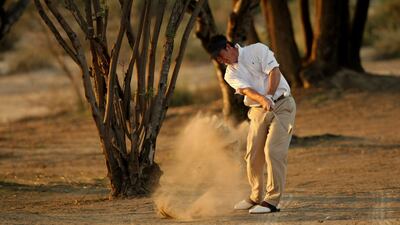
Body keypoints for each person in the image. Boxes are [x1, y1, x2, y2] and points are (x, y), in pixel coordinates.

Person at [208, 35, 296, 214]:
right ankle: (256, 196)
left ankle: (272, 201)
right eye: (217, 59)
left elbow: (274, 72)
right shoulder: (229, 73)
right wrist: (263, 99)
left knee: (273, 151)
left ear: (228, 47)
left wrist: (269, 95)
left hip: (282, 105)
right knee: (253, 155)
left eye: (220, 55)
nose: (221, 60)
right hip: (257, 110)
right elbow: (247, 90)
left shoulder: (257, 50)